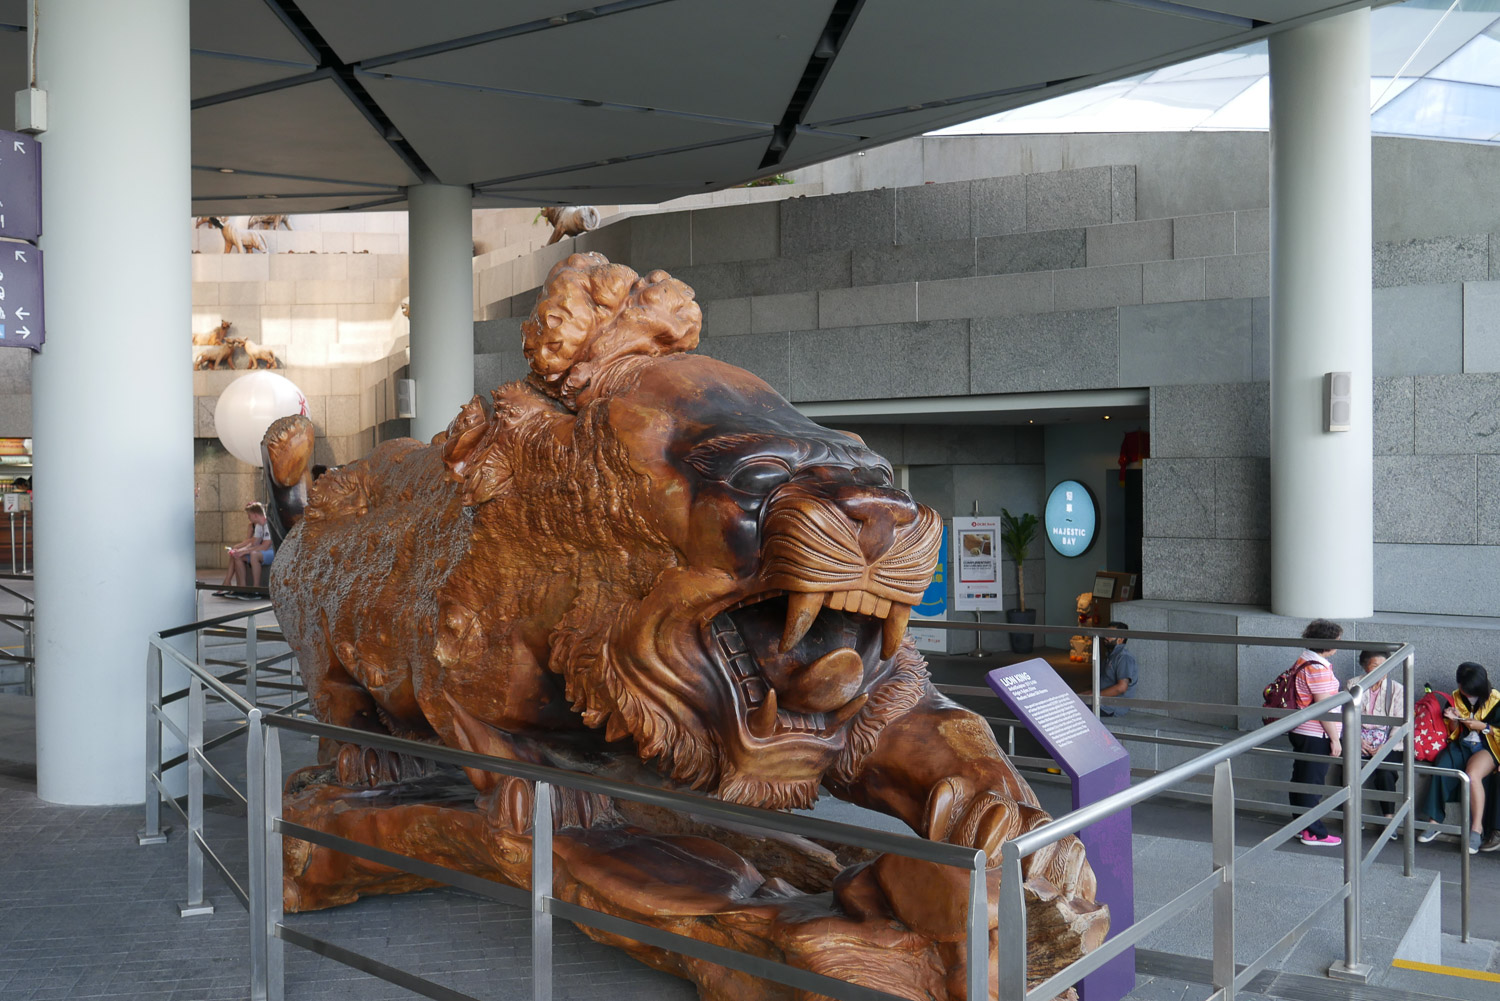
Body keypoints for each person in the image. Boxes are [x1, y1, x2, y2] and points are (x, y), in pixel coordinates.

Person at [1417, 662, 1500, 853]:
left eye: (1469, 690)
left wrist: (1484, 727)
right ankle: (1435, 820)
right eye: (1463, 688)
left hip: (1488, 747)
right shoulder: (1456, 697)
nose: (1465, 693)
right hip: (1462, 744)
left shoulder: (1496, 700)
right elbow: (1452, 733)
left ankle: (1476, 830)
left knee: (1473, 775)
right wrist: (1453, 720)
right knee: (1442, 765)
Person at [1288, 619, 1345, 847]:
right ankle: (1313, 833)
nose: (1340, 644)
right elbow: (1323, 708)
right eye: (1337, 640)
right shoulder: (1317, 668)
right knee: (1312, 782)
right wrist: (1335, 739)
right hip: (1315, 733)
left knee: (1302, 778)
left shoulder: (1305, 659)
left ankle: (1301, 826)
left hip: (1303, 730)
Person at [1354, 650, 1403, 822]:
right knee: (1348, 768)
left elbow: (1400, 723)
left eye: (1385, 666)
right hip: (1359, 739)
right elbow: (1347, 717)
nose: (1381, 670)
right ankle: (1352, 818)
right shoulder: (1353, 685)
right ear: (1365, 666)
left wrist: (1386, 746)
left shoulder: (1397, 689)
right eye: (1375, 666)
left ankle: (1389, 819)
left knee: (1386, 771)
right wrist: (1357, 740)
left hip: (1388, 742)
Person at [215, 502, 273, 595]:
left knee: (254, 555)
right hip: (262, 550)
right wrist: (239, 551)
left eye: (249, 515)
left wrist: (245, 551)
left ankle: (256, 589)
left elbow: (265, 546)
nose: (248, 517)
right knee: (237, 556)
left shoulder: (268, 524)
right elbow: (254, 543)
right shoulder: (259, 525)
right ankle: (242, 588)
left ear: (255, 515)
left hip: (273, 551)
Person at [1081, 621, 1137, 716]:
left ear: (1120, 640)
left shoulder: (1124, 657)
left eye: (1110, 635)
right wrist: (1083, 695)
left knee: (1072, 708)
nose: (1106, 637)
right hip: (1101, 701)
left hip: (1110, 707)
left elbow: (1121, 688)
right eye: (1106, 634)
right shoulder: (1111, 656)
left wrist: (1092, 696)